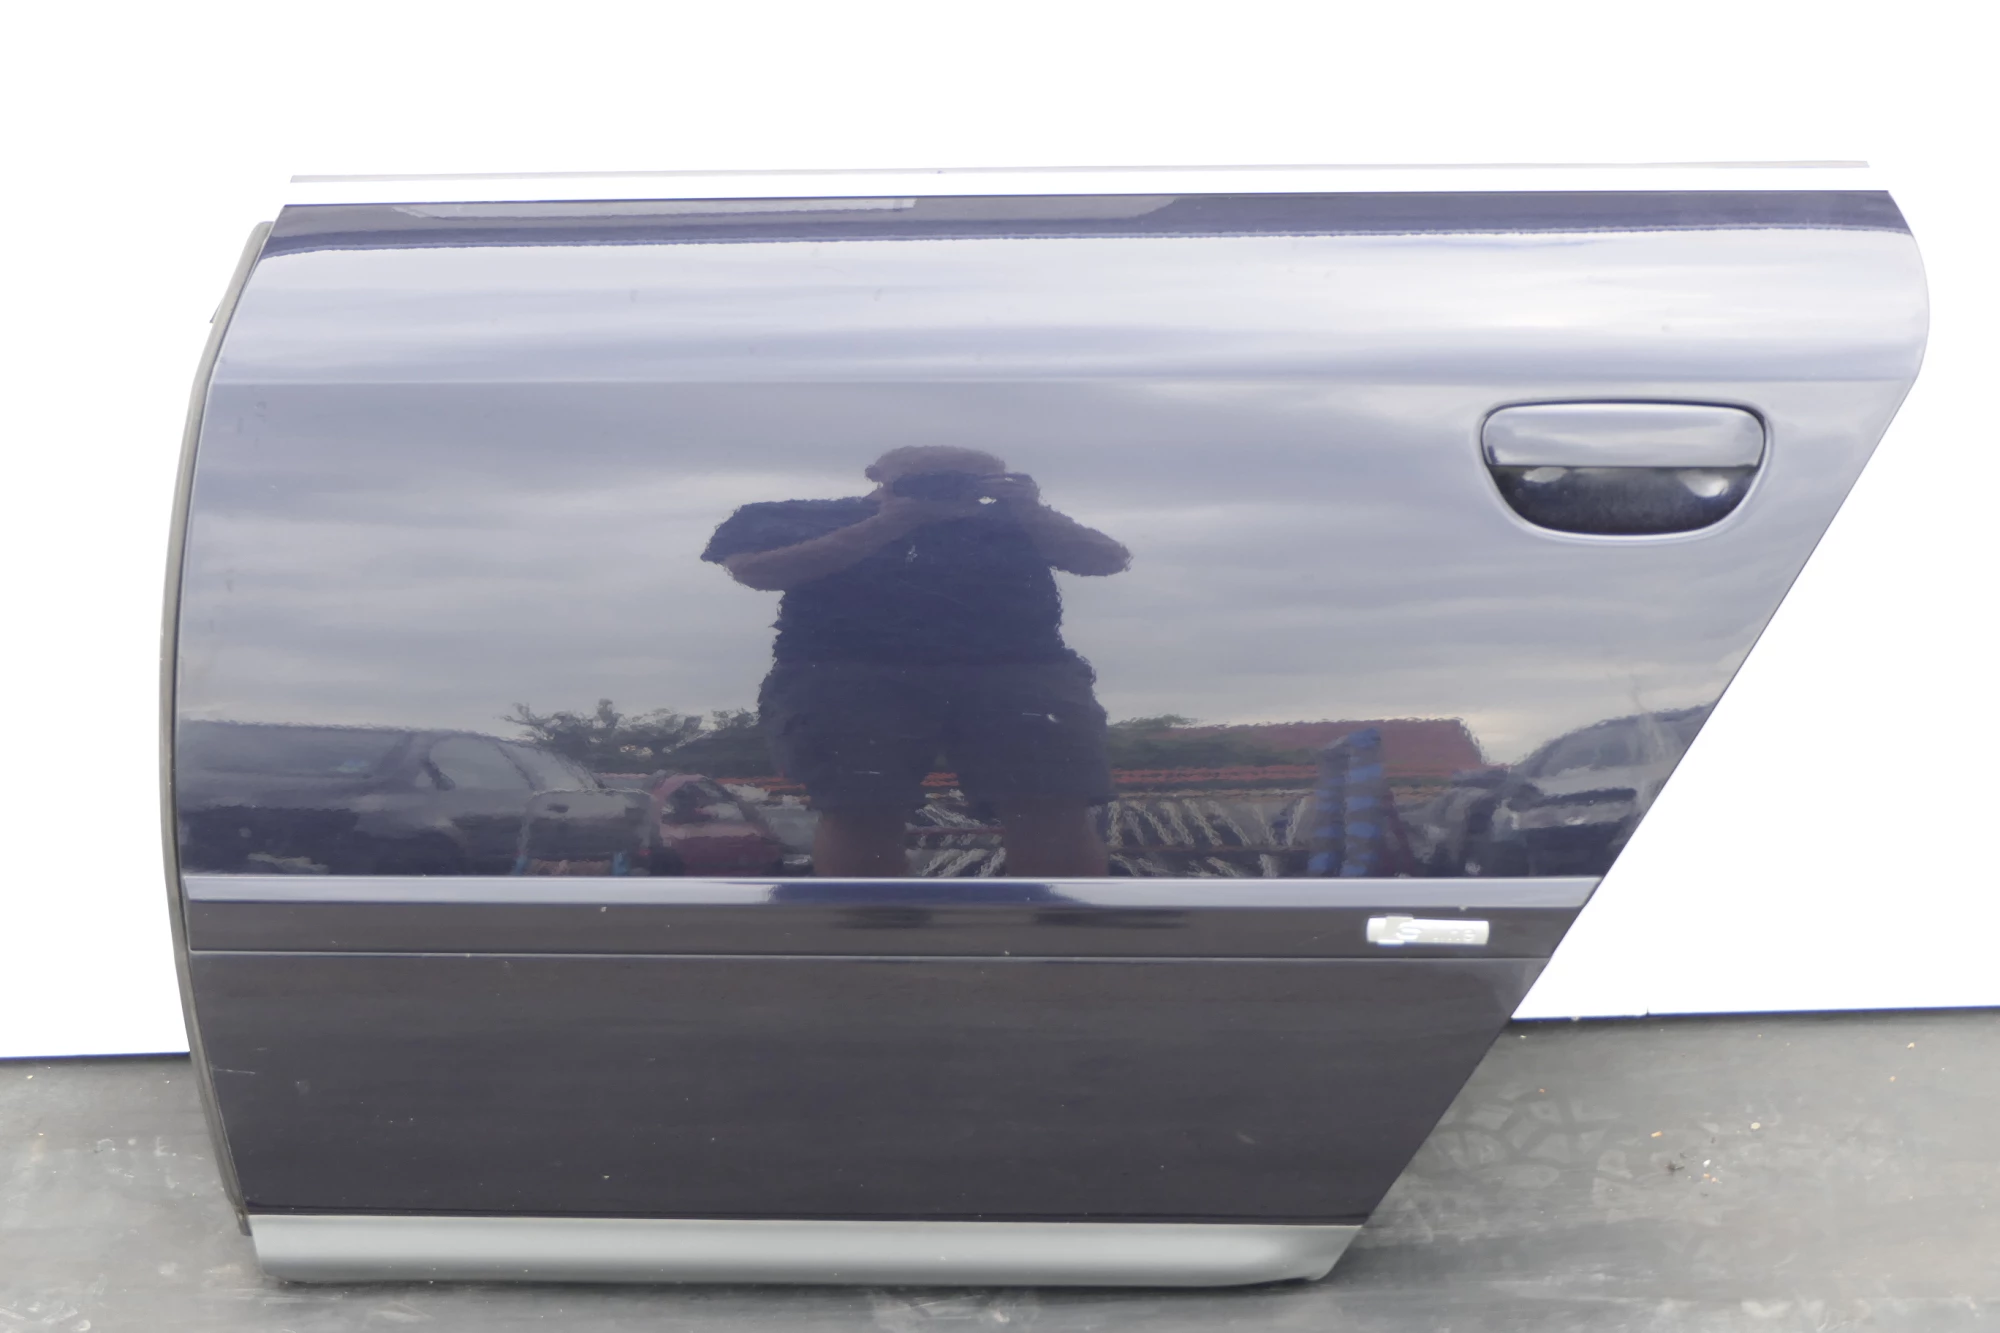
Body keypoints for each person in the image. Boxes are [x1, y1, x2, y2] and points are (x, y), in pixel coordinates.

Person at [701, 445, 1130, 877]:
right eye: (931, 477)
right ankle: (869, 920)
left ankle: (1058, 918)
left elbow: (1108, 560)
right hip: (846, 671)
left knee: (1053, 806)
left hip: (1021, 669)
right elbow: (754, 570)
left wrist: (1033, 511)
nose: (947, 486)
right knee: (860, 809)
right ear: (875, 474)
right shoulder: (798, 516)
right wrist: (889, 523)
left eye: (968, 479)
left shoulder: (1020, 519)